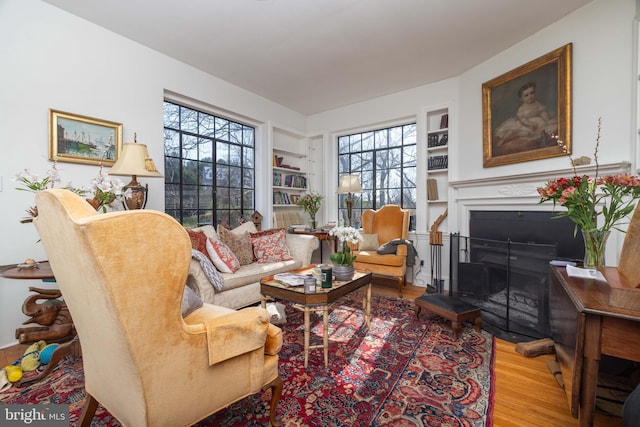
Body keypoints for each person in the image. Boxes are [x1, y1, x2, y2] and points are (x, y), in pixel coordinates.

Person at [494, 82, 557, 147]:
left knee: (529, 133)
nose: (530, 96)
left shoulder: (537, 104)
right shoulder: (522, 108)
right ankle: (503, 139)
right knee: (517, 132)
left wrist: (547, 120)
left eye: (532, 93)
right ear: (521, 99)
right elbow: (522, 119)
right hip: (523, 125)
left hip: (535, 126)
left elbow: (542, 112)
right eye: (526, 95)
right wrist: (530, 123)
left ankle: (508, 138)